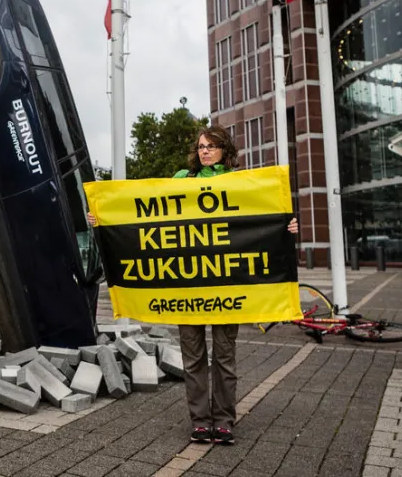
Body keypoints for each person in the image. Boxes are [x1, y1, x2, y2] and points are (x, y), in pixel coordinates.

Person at [87, 126, 298, 446]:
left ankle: (224, 420)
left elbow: (265, 221)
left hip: (228, 289)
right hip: (186, 289)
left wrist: (287, 225)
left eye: (211, 146)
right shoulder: (181, 180)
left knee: (224, 357)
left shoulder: (240, 184)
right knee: (194, 358)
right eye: (201, 146)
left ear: (225, 151)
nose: (205, 151)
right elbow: (146, 215)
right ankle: (201, 421)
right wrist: (105, 218)